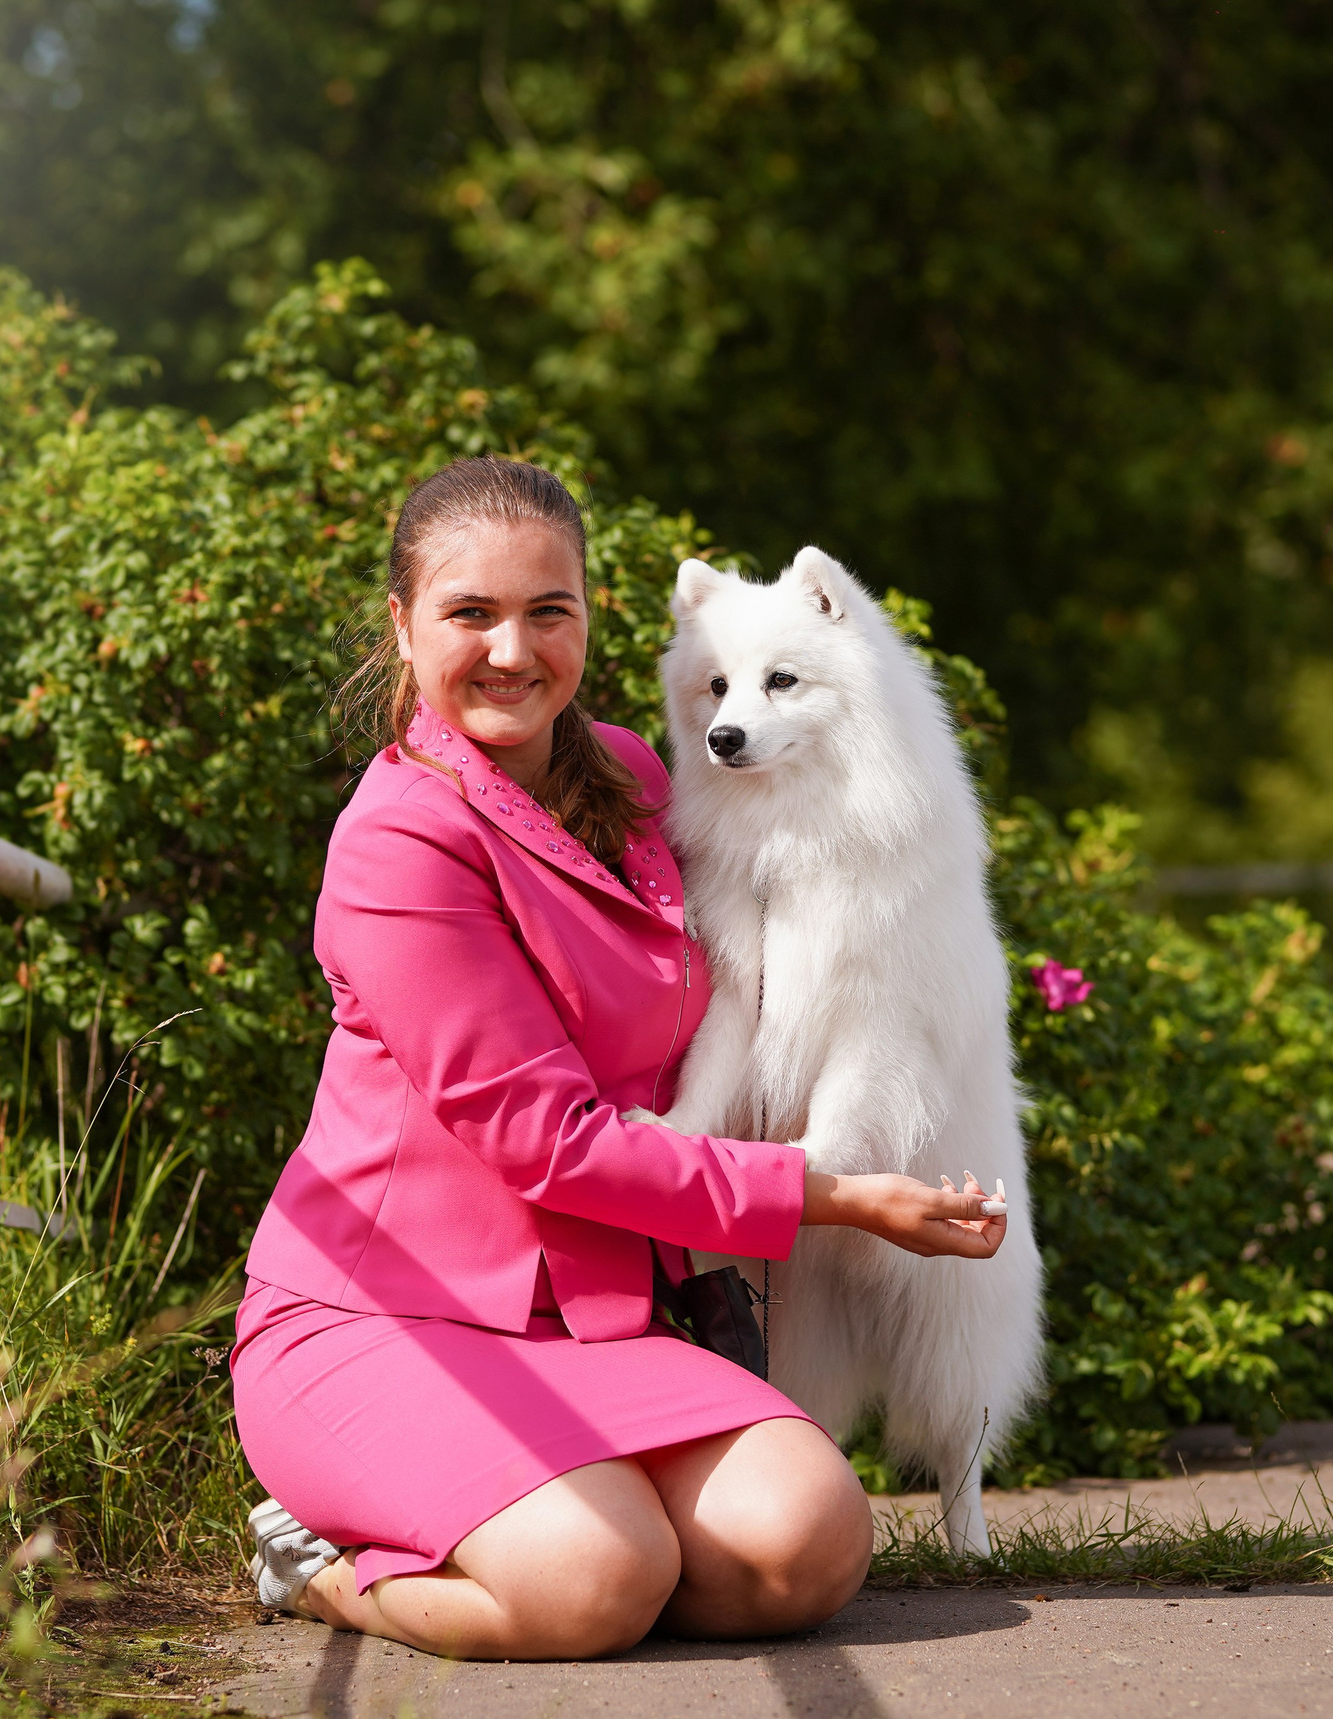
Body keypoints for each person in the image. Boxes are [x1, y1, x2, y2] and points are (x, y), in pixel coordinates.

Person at [231, 456, 1008, 1661]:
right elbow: (547, 1144)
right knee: (593, 1583)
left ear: (588, 619)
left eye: (548, 611)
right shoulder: (398, 843)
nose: (512, 650)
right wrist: (838, 1195)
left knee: (806, 1548)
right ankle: (319, 1567)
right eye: (470, 613)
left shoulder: (645, 780)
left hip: (595, 1325)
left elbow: (768, 969)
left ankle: (579, 1529)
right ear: (402, 622)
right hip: (389, 1319)